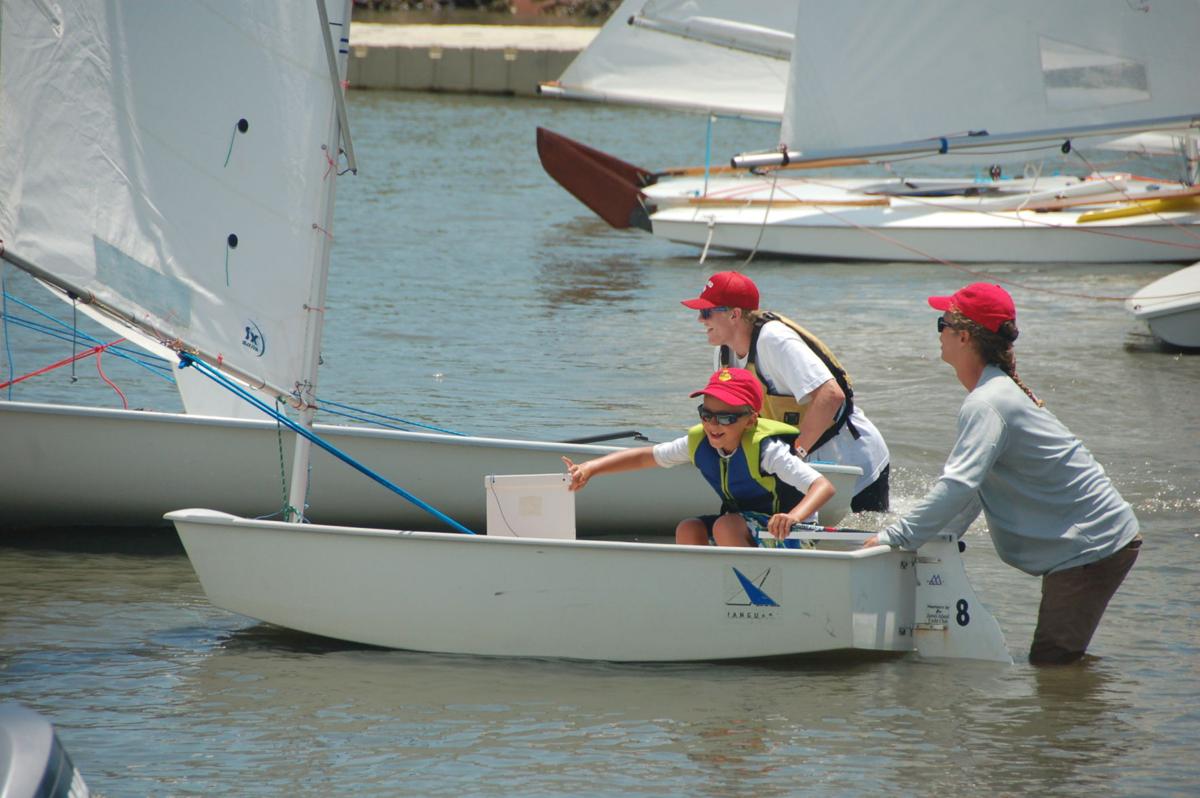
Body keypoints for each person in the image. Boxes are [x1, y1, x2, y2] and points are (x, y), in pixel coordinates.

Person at [862, 283, 1141, 665]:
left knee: (1052, 664)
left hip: (1092, 546)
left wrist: (896, 537)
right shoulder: (994, 392)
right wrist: (939, 539)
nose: (939, 332)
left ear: (963, 335)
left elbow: (958, 484)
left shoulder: (988, 402)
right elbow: (975, 488)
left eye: (941, 323)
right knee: (1062, 663)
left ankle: (1086, 719)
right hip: (1093, 543)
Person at [681, 271, 891, 512]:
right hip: (802, 468)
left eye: (706, 312)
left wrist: (794, 454)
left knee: (861, 535)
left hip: (853, 464)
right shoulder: (723, 351)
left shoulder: (774, 340)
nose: (700, 319)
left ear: (734, 314)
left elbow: (831, 396)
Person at [562, 367, 835, 547]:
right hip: (747, 527)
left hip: (795, 532)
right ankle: (706, 593)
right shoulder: (698, 442)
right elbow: (645, 457)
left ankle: (749, 593)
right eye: (706, 415)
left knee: (726, 525)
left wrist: (793, 517)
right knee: (688, 528)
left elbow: (823, 487)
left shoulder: (768, 450)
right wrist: (590, 468)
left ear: (750, 420)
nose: (714, 425)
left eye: (726, 418)